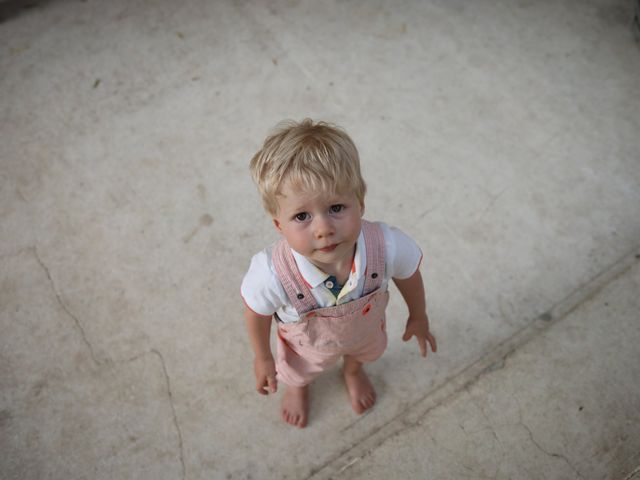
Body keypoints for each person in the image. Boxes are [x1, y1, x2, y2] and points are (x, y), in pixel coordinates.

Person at [241, 119, 437, 428]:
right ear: (279, 225)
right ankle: (298, 387)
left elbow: (409, 273)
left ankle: (353, 371)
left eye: (336, 207)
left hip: (363, 333)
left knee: (363, 352)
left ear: (360, 202)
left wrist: (418, 314)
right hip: (306, 347)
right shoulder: (271, 273)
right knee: (298, 370)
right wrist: (263, 356)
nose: (323, 229)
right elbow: (256, 311)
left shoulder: (385, 246)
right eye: (302, 216)